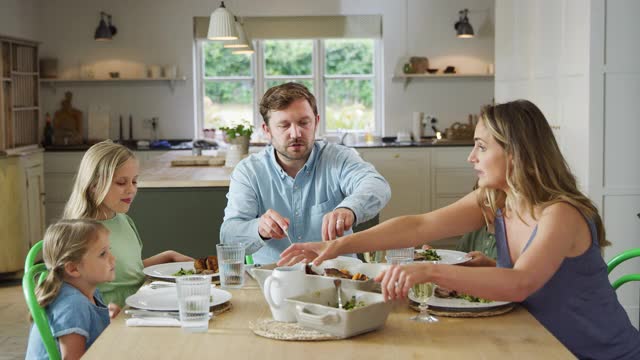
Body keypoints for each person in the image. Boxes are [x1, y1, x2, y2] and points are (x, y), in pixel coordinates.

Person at [279, 99, 640, 359]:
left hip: (598, 353)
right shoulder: (496, 199)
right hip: (542, 344)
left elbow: (520, 284)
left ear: (515, 153)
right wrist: (338, 246)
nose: (471, 157)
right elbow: (420, 225)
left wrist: (429, 270)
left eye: (481, 147)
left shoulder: (559, 214)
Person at [220, 82, 391, 264]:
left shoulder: (339, 158)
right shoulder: (249, 171)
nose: (296, 133)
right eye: (284, 125)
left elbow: (377, 185)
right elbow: (229, 236)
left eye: (303, 123)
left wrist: (349, 208)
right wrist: (259, 229)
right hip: (273, 281)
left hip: (338, 278)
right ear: (267, 131)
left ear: (316, 122)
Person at [63, 140, 193, 307]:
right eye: (121, 182)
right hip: (112, 317)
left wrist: (167, 256)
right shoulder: (80, 233)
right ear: (94, 185)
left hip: (141, 305)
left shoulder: (124, 221)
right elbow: (71, 296)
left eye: (134, 181)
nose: (131, 189)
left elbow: (127, 273)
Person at [26, 219, 120, 359]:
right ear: (73, 268)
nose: (113, 258)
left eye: (109, 251)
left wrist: (108, 317)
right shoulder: (73, 305)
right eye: (102, 254)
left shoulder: (90, 291)